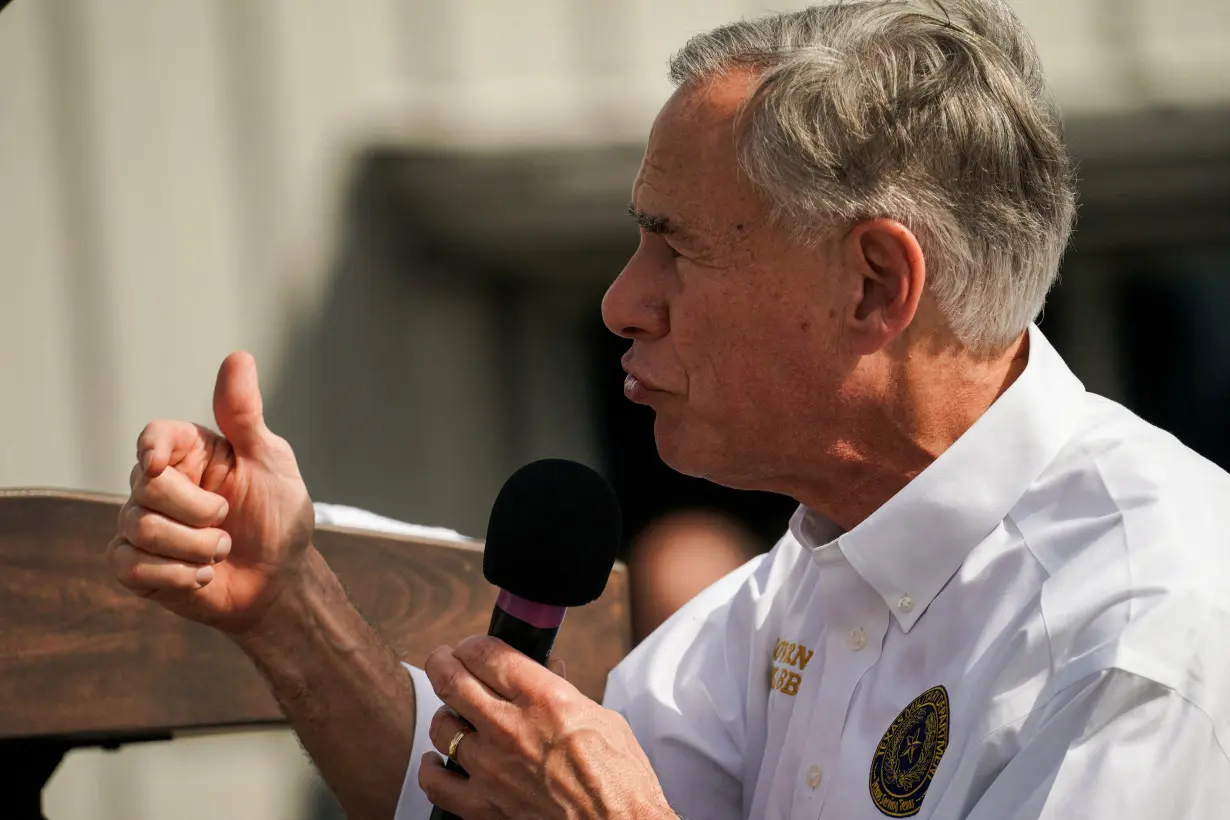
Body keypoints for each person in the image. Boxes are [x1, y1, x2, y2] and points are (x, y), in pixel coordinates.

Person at [106, 1, 1230, 818]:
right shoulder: (824, 563)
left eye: (676, 250)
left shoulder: (1147, 625)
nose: (619, 303)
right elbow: (478, 800)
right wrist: (288, 605)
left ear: (877, 285)